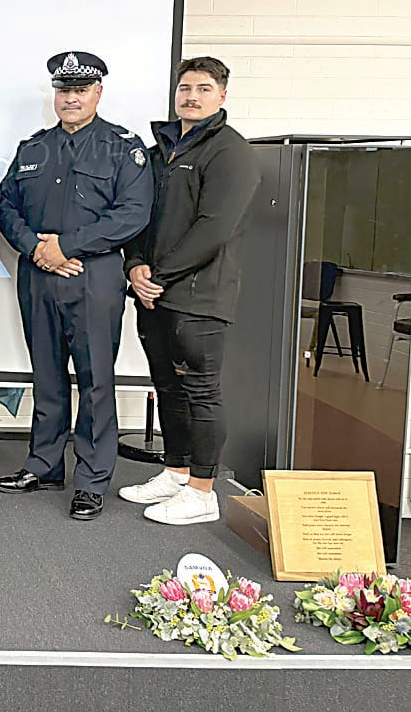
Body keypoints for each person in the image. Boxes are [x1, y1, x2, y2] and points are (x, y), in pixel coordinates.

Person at [0, 51, 153, 521]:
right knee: (46, 374)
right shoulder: (33, 148)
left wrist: (67, 247)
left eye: (80, 90)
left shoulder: (124, 148)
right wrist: (37, 249)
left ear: (98, 93)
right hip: (38, 275)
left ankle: (92, 478)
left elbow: (132, 214)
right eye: (63, 90)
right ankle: (44, 464)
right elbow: (5, 208)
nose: (70, 98)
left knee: (96, 380)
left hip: (95, 276)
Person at [119, 56, 260, 525]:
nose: (192, 97)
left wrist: (156, 275)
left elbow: (214, 228)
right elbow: (139, 215)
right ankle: (175, 471)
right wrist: (135, 265)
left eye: (203, 88)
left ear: (222, 96)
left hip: (200, 296)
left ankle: (203, 491)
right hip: (154, 292)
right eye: (185, 88)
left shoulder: (231, 152)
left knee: (201, 391)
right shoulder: (161, 150)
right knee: (167, 387)